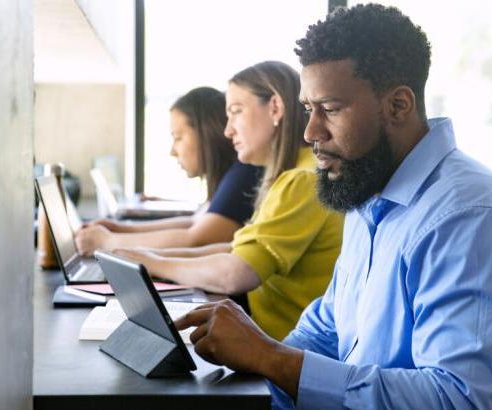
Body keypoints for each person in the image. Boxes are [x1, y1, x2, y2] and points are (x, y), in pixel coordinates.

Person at [173, 4, 492, 409]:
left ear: (399, 106)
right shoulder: (369, 196)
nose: (311, 131)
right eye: (309, 109)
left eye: (329, 109)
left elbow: (456, 400)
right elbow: (327, 331)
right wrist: (244, 362)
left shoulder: (472, 217)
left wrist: (270, 358)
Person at [116, 61, 344, 340]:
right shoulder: (297, 173)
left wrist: (152, 264)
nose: (228, 131)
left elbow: (236, 273)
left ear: (275, 107)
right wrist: (152, 258)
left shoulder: (301, 180)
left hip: (286, 350)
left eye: (236, 112)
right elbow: (235, 250)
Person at [75, 87, 261, 254]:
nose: (173, 151)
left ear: (207, 134)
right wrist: (120, 228)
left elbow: (197, 239)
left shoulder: (243, 173)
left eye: (178, 138)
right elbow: (194, 222)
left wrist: (107, 241)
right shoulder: (233, 173)